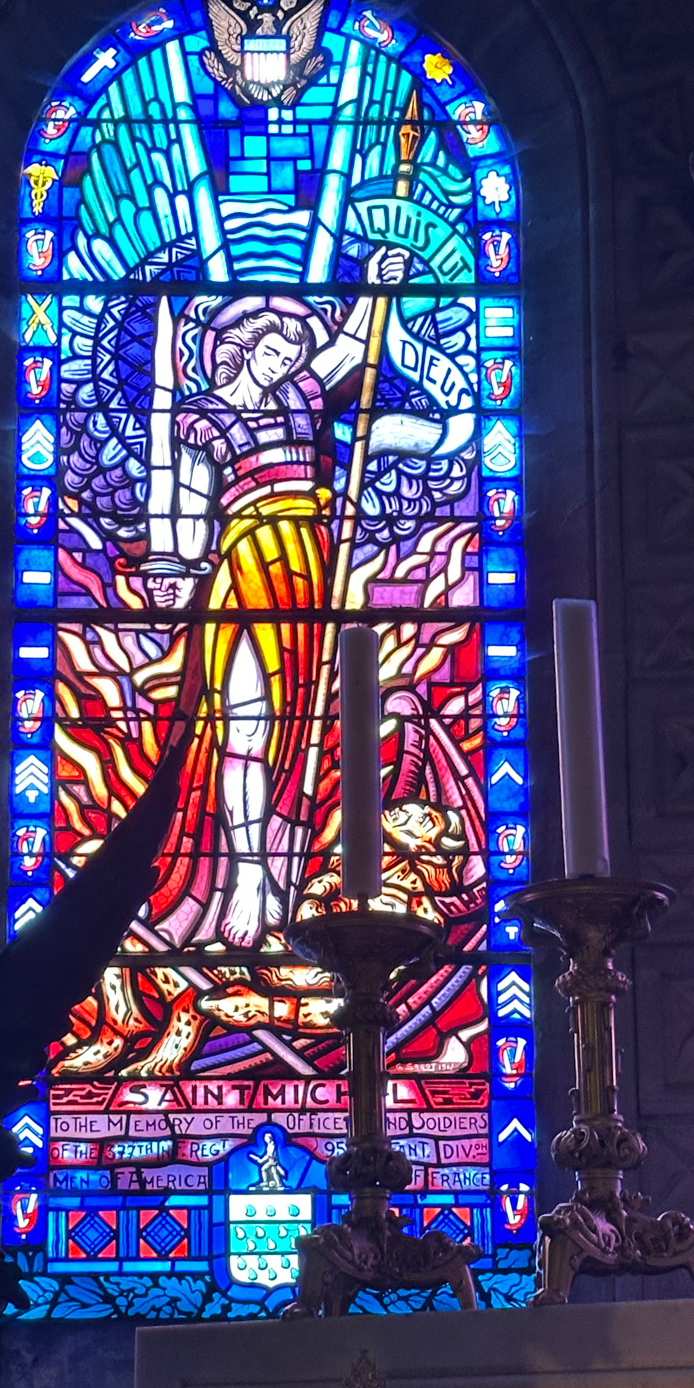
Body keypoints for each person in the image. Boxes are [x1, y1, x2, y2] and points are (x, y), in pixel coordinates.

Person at [143, 252, 407, 952]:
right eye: (278, 343)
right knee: (248, 726)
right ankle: (249, 874)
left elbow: (355, 344)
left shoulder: (302, 398)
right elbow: (190, 510)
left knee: (299, 729)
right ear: (242, 347)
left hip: (309, 567)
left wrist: (378, 286)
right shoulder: (202, 421)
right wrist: (173, 564)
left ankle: (293, 876)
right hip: (246, 567)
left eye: (295, 346)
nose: (292, 354)